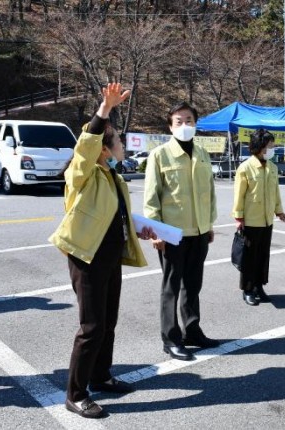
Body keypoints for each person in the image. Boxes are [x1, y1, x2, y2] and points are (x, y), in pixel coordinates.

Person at [49, 83, 156, 419]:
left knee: (108, 322)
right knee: (92, 326)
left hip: (109, 257)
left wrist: (141, 227)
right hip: (87, 257)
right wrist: (104, 110)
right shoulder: (81, 173)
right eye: (119, 141)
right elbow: (84, 149)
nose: (123, 145)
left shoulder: (114, 177)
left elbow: (113, 214)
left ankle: (102, 375)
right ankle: (76, 394)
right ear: (104, 149)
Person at [144, 101, 219, 361]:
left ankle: (192, 331)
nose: (184, 125)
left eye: (189, 120)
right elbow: (151, 197)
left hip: (199, 231)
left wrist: (208, 225)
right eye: (179, 121)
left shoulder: (202, 153)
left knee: (193, 285)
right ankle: (171, 338)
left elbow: (209, 193)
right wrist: (155, 232)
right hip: (171, 233)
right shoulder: (160, 155)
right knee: (171, 287)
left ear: (195, 123)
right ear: (170, 126)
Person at [232, 128, 285, 306]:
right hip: (251, 220)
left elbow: (276, 192)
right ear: (259, 147)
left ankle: (259, 286)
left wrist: (279, 210)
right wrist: (239, 217)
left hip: (267, 220)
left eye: (272, 145)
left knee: (263, 255)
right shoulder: (245, 168)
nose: (272, 149)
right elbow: (239, 195)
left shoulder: (273, 167)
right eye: (269, 146)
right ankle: (247, 289)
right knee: (249, 257)